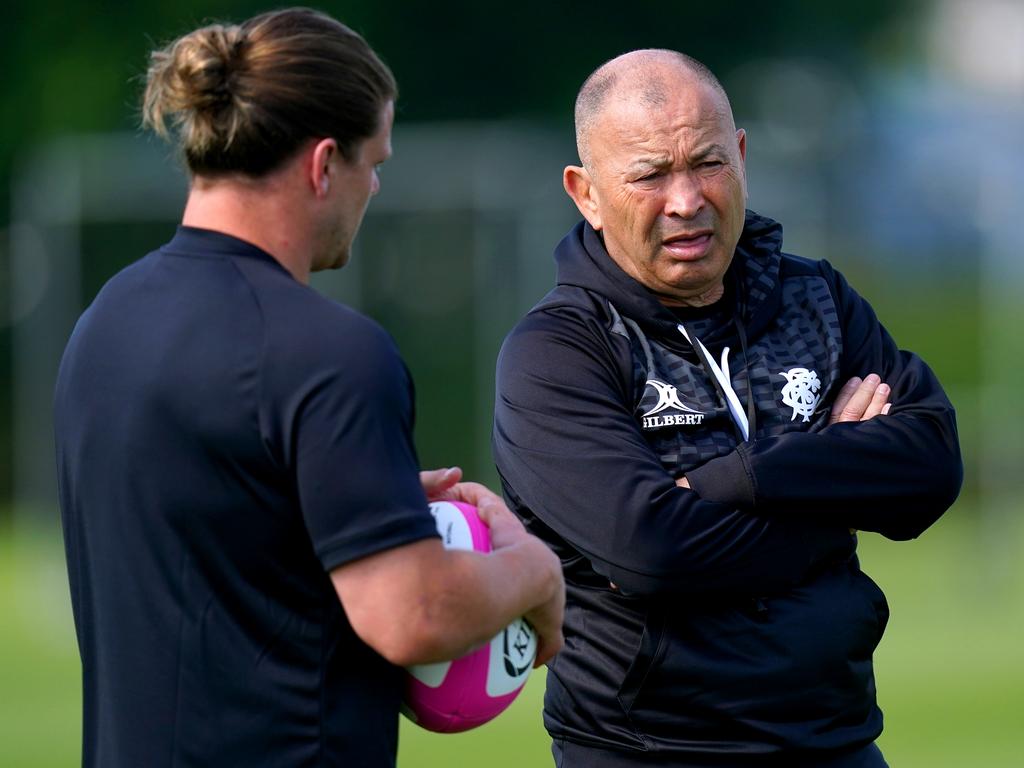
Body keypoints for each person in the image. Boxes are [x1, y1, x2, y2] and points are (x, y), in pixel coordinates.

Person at [53, 8, 564, 767]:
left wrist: (357, 503)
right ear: (324, 164)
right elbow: (413, 615)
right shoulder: (331, 355)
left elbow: (211, 534)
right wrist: (532, 570)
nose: (378, 187)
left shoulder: (103, 325)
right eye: (375, 162)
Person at [492, 49, 962, 768]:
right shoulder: (558, 353)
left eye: (707, 163)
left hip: (838, 741)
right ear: (585, 193)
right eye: (649, 175)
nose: (685, 200)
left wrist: (737, 482)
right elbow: (654, 552)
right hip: (648, 751)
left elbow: (929, 466)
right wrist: (836, 487)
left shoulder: (819, 300)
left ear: (740, 156)